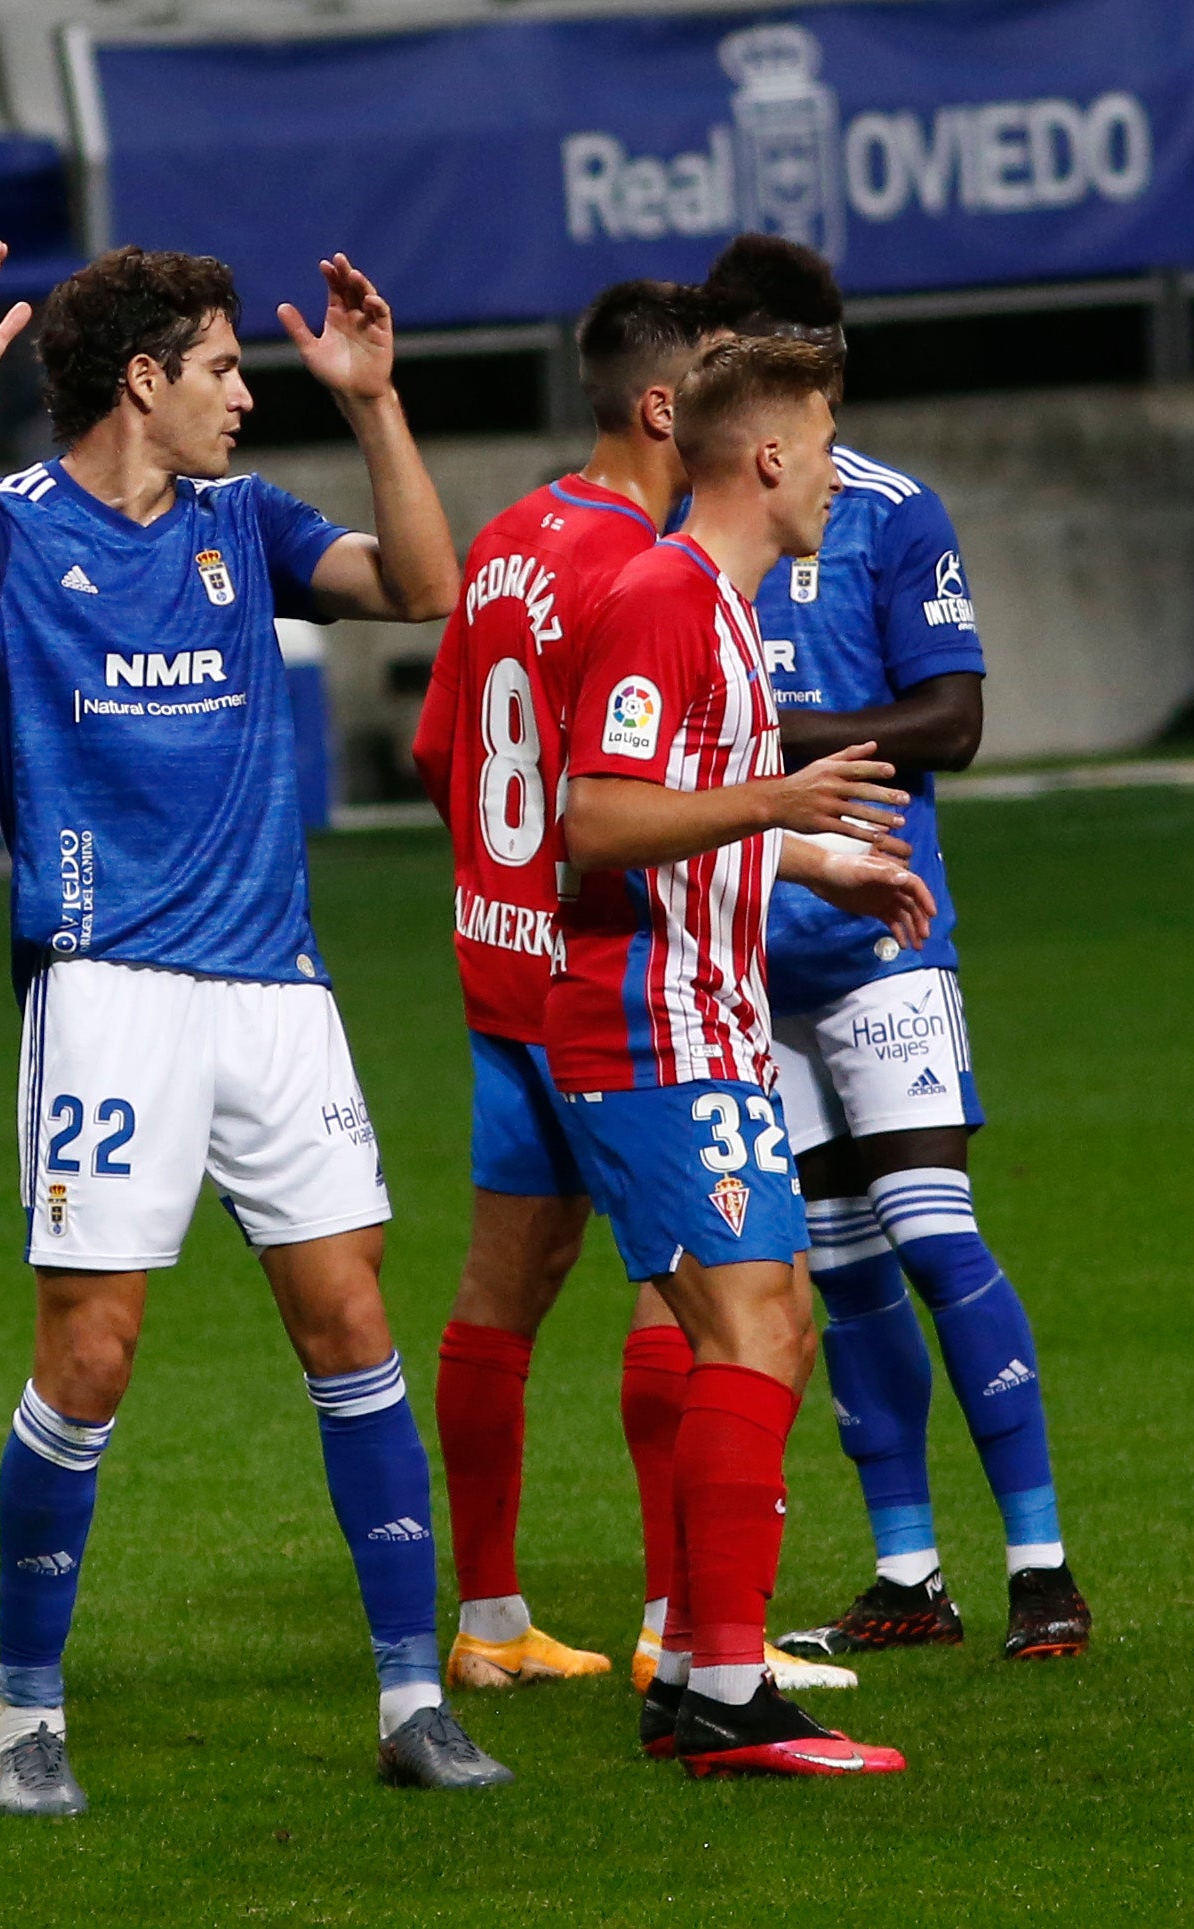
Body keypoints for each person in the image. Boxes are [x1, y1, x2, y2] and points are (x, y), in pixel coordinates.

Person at [0, 242, 488, 1814]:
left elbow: (418, 588)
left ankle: (408, 1693)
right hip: (103, 988)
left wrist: (377, 408)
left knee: (350, 1327)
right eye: (220, 368)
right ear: (142, 381)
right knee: (92, 1352)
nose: (246, 396)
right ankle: (23, 1713)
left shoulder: (242, 527)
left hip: (274, 990)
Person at [698, 237, 1091, 1666]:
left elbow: (953, 722)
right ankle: (907, 1570)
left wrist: (763, 748)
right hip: (742, 950)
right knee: (840, 1266)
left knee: (930, 1235)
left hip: (877, 935)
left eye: (728, 342)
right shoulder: (681, 535)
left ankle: (1040, 1563)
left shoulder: (885, 511)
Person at [547, 334, 930, 1777]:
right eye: (824, 446)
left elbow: (689, 813)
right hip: (649, 1024)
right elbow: (592, 818)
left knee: (752, 1322)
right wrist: (778, 796)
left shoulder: (712, 601)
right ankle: (719, 1687)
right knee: (756, 1325)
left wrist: (808, 855)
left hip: (697, 1018)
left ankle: (700, 1676)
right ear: (766, 457)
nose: (835, 475)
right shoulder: (661, 597)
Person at [407, 279, 705, 1695]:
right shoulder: (641, 572)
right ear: (662, 407)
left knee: (496, 1297)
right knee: (701, 1293)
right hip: (607, 980)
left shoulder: (508, 539)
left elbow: (435, 756)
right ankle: (681, 1626)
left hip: (496, 973)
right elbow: (619, 801)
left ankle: (486, 1621)